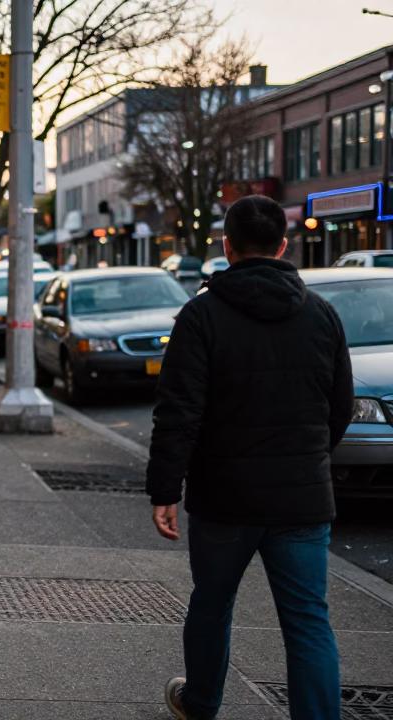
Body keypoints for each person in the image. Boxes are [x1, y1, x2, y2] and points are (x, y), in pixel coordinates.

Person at [146, 196, 352, 720]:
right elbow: (339, 407)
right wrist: (307, 458)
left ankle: (200, 702)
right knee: (308, 621)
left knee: (212, 604)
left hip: (225, 497)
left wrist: (165, 489)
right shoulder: (322, 315)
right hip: (301, 497)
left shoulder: (201, 315)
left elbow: (178, 411)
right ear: (283, 246)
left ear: (227, 246)